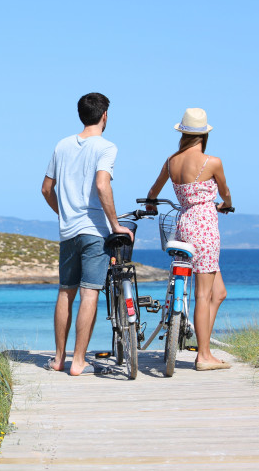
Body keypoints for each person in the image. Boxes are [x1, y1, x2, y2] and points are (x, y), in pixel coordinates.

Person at [41, 92, 134, 376]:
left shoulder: (62, 145)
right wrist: (116, 224)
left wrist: (64, 213)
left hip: (68, 232)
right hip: (94, 230)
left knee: (65, 292)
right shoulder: (106, 147)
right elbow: (103, 185)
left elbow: (46, 189)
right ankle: (78, 361)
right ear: (105, 115)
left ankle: (58, 358)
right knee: (89, 292)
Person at [145, 107, 233, 371]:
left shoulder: (172, 161)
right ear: (204, 134)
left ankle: (202, 343)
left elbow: (153, 190)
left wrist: (151, 204)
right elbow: (226, 192)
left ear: (182, 132)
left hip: (184, 225)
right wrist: (225, 204)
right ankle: (203, 355)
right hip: (205, 226)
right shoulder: (212, 161)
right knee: (203, 295)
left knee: (218, 293)